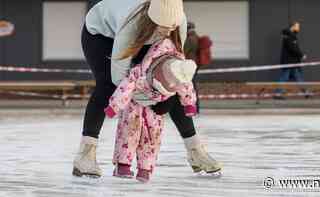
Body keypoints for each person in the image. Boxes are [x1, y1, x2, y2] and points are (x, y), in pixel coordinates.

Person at [73, 0, 221, 178]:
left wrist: (161, 93)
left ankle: (196, 151)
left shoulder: (178, 21)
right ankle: (85, 154)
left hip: (144, 35)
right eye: (162, 26)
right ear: (153, 18)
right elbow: (118, 77)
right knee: (107, 85)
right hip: (100, 34)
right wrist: (143, 93)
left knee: (171, 81)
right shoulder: (132, 23)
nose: (167, 31)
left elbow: (177, 67)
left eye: (170, 27)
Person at [105, 38, 198, 183]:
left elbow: (187, 87)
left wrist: (189, 104)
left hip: (155, 107)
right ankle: (123, 164)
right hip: (134, 105)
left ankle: (145, 168)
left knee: (152, 137)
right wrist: (114, 105)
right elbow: (126, 86)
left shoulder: (179, 71)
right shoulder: (140, 72)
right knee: (129, 131)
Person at [275, 21, 307, 97]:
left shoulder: (291, 35)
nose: (299, 28)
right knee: (285, 77)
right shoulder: (289, 36)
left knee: (298, 77)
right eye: (297, 26)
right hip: (289, 62)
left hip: (293, 62)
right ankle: (278, 93)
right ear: (293, 27)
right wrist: (301, 55)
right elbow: (292, 48)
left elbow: (294, 48)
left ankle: (306, 92)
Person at [184, 22, 201, 112]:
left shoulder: (189, 38)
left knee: (190, 86)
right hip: (194, 64)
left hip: (189, 64)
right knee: (192, 85)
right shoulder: (196, 37)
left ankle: (193, 107)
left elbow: (184, 51)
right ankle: (195, 107)